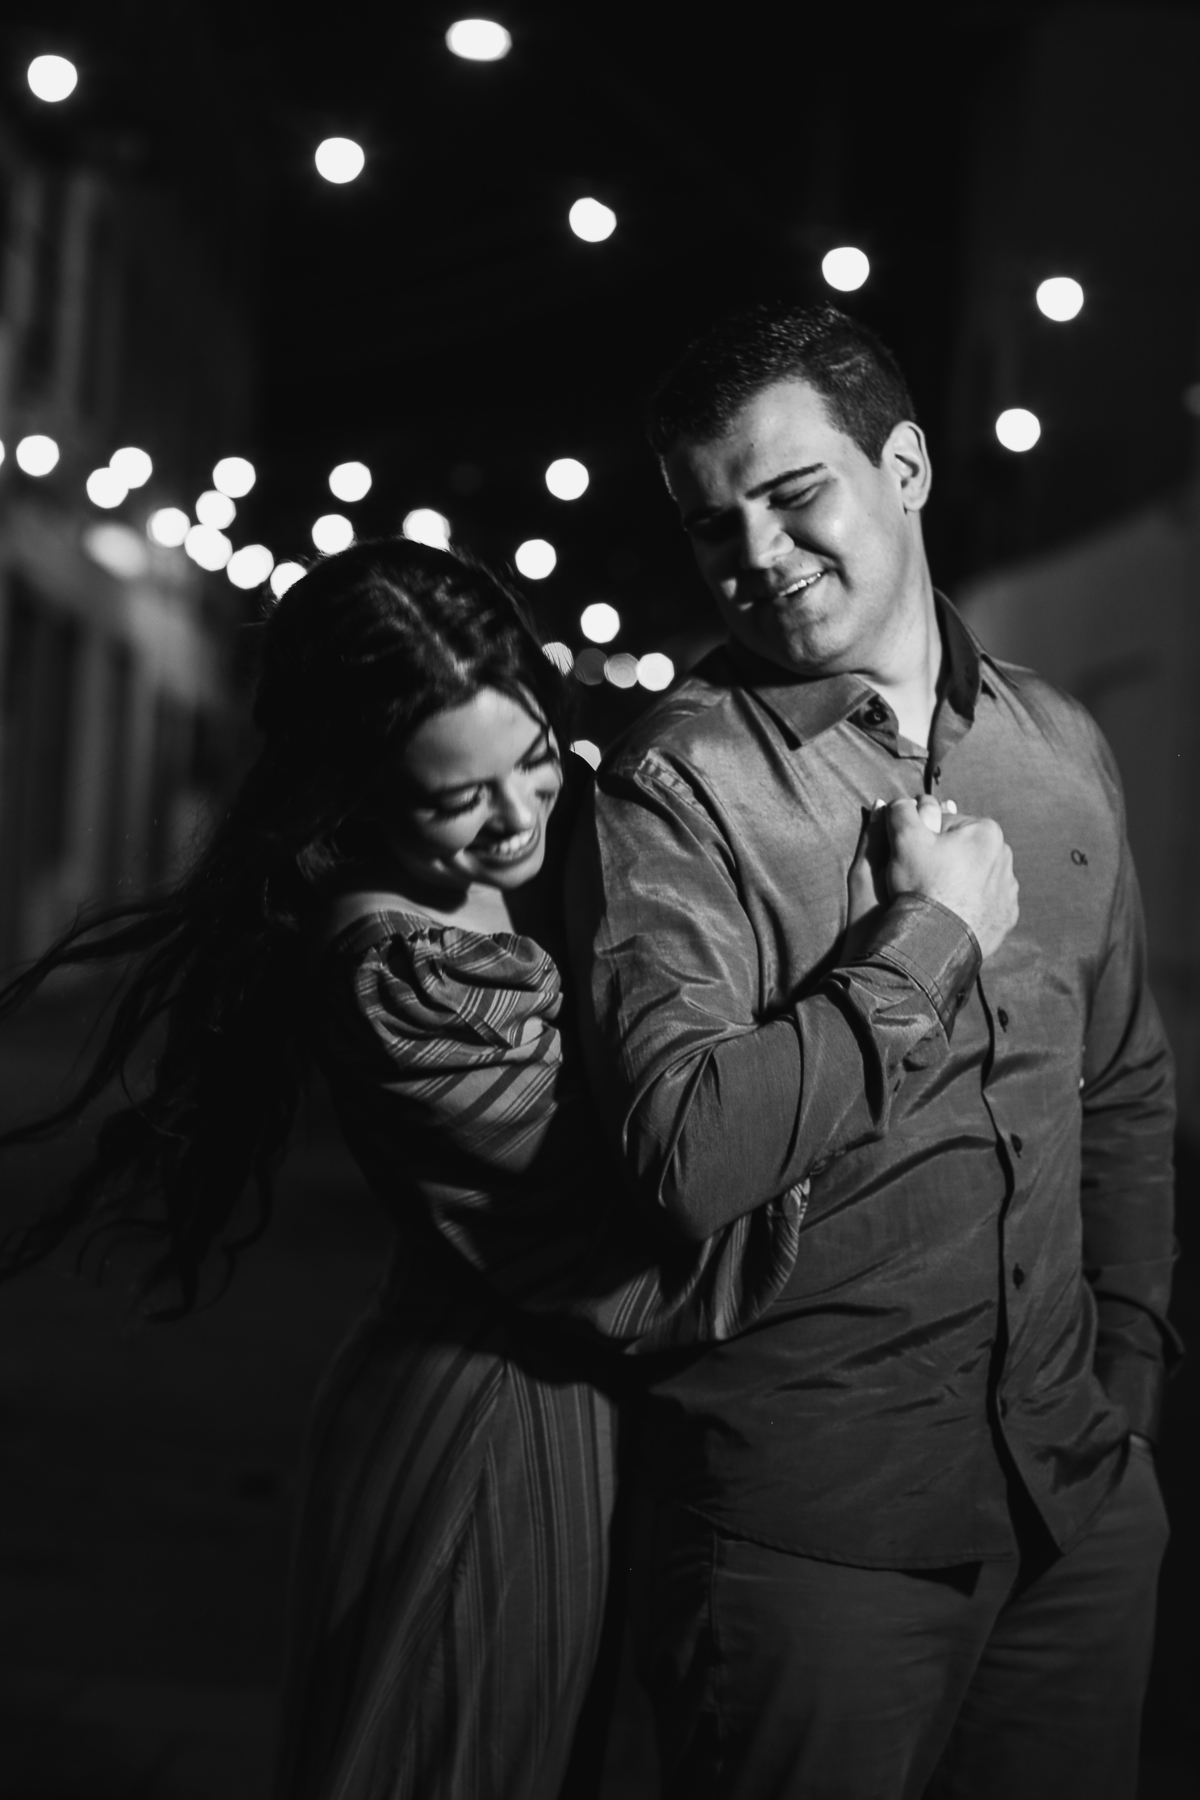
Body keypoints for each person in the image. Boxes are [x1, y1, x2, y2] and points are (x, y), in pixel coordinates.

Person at [0, 540, 805, 1800]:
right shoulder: (402, 976)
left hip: (566, 1406)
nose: (518, 817)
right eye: (457, 800)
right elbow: (651, 1214)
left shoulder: (555, 839)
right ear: (360, 788)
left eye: (534, 757)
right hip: (491, 1422)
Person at [567, 302, 1178, 1800]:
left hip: (1075, 1510)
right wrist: (922, 944)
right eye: (715, 524)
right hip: (810, 1539)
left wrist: (1131, 1368)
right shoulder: (678, 786)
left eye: (795, 496)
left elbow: (1122, 1084)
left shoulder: (1059, 747)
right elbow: (682, 1153)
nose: (758, 554)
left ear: (903, 468)